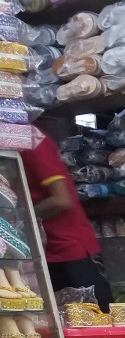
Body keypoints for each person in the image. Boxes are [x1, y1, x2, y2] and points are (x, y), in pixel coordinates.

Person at [19, 130, 111, 310]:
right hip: (40, 254)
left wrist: (18, 219)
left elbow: (61, 200)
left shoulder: (29, 138)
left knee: (94, 321)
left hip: (69, 251)